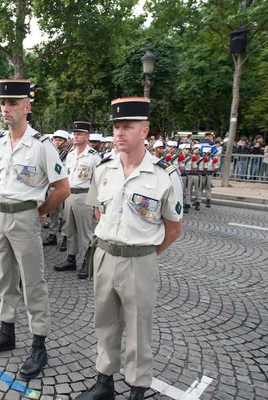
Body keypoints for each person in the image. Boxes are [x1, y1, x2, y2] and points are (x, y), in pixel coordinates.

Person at [75, 97, 183, 400]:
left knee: (138, 329)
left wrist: (144, 255)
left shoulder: (165, 175)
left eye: (127, 126)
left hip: (140, 261)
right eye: (116, 126)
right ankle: (104, 382)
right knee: (105, 323)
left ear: (145, 131)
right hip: (105, 255)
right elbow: (99, 211)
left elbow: (174, 229)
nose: (119, 133)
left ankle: (137, 389)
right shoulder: (104, 168)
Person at [0, 79, 70, 380]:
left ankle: (39, 343)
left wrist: (39, 212)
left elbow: (62, 188)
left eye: (13, 103)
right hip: (0, 217)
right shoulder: (0, 144)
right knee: (5, 279)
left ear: (27, 107)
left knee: (33, 283)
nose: (6, 108)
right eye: (3, 103)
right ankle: (7, 331)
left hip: (25, 218)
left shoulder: (42, 145)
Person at [55, 122, 100, 280]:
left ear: (87, 136)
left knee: (85, 231)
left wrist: (96, 203)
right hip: (70, 195)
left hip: (84, 196)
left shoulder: (93, 156)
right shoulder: (70, 154)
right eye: (74, 134)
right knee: (70, 229)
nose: (75, 136)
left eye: (79, 134)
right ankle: (71, 258)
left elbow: (98, 181)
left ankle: (88, 262)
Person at [43, 129, 70, 247]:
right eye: (55, 140)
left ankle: (65, 237)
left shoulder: (70, 154)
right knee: (53, 212)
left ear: (66, 141)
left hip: (64, 187)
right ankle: (52, 234)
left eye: (60, 140)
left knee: (65, 214)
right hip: (52, 187)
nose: (57, 142)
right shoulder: (52, 153)